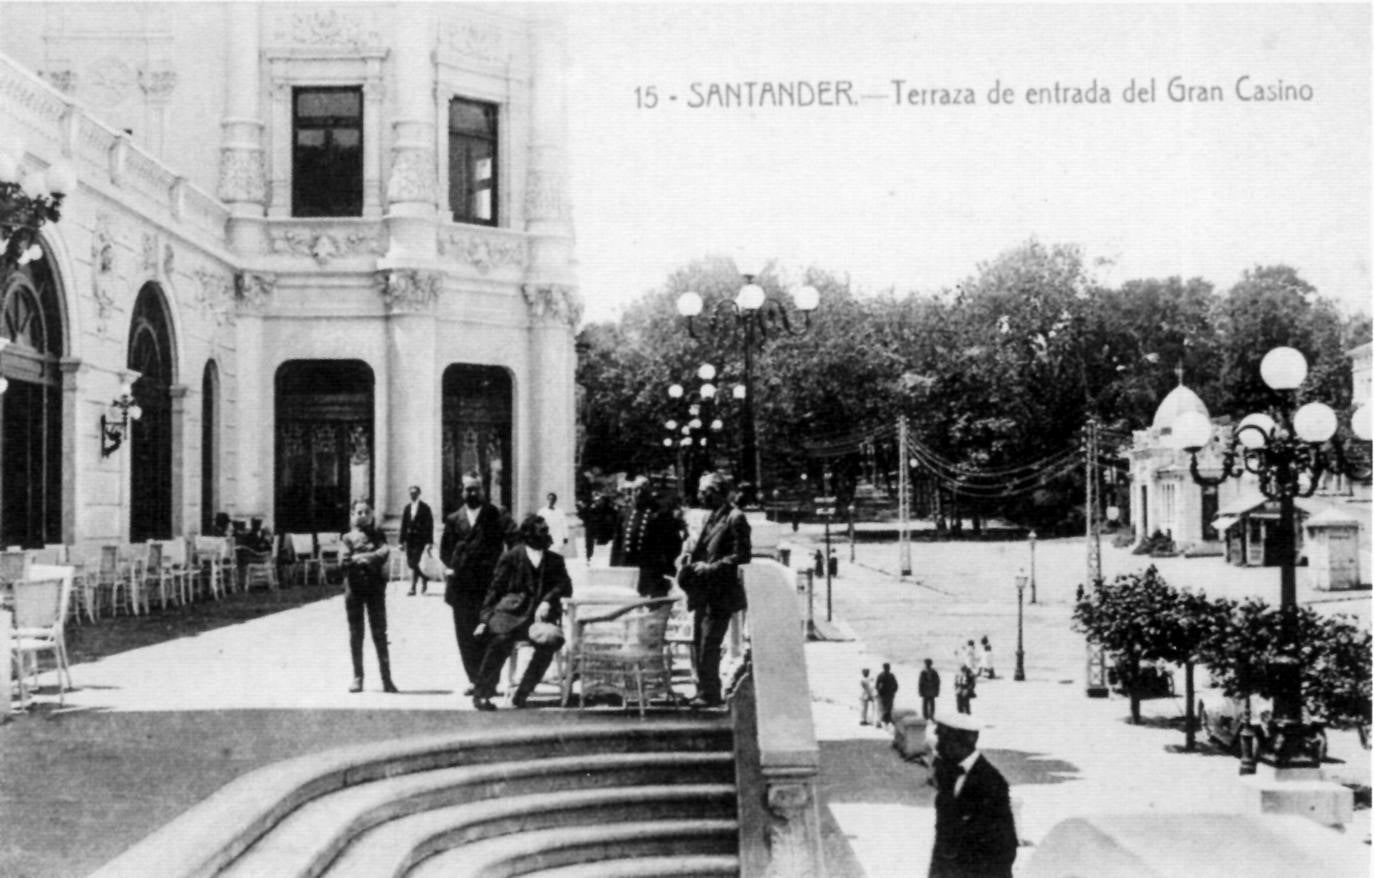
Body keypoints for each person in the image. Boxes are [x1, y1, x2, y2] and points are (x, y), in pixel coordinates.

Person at [470, 515, 573, 711]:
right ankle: (482, 694)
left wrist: (547, 600)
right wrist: (485, 619)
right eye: (541, 531)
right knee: (499, 642)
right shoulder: (511, 557)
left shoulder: (554, 560)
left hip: (538, 621)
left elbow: (565, 585)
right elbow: (495, 589)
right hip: (511, 617)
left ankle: (522, 693)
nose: (546, 535)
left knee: (549, 643)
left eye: (546, 530)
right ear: (528, 534)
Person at [676, 472, 750, 708]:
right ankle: (704, 690)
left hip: (721, 593)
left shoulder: (736, 518)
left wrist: (711, 568)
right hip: (704, 592)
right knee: (699, 641)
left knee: (710, 644)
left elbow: (742, 555)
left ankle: (711, 694)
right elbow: (703, 548)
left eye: (704, 491)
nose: (700, 496)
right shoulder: (712, 516)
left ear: (717, 492)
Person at [441, 473, 516, 693]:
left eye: (476, 489)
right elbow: (445, 550)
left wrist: (507, 568)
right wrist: (457, 564)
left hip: (490, 586)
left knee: (491, 632)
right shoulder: (454, 519)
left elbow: (514, 540)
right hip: (462, 587)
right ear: (461, 491)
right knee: (465, 634)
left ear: (483, 490)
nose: (472, 493)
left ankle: (489, 681)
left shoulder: (497, 514)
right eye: (468, 489)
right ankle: (475, 680)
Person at [927, 713, 1018, 878]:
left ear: (965, 741)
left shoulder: (992, 783)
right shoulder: (947, 772)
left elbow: (1005, 846)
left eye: (943, 739)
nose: (937, 746)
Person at [340, 500, 396, 693]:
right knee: (356, 634)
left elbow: (384, 552)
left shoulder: (378, 535)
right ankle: (358, 677)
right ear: (352, 515)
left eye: (366, 512)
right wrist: (368, 558)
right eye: (359, 512)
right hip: (354, 590)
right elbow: (344, 560)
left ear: (372, 515)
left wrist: (363, 558)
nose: (362, 515)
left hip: (375, 590)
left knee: (380, 633)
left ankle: (386, 679)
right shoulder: (347, 538)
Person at [610, 479, 684, 597]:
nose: (638, 493)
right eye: (635, 490)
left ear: (649, 491)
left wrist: (670, 569)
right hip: (627, 565)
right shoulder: (625, 513)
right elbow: (617, 544)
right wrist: (614, 567)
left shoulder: (660, 514)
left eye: (642, 490)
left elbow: (672, 543)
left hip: (649, 567)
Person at [399, 484, 435, 596]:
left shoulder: (425, 508)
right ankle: (424, 577)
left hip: (420, 540)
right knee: (411, 563)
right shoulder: (407, 508)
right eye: (411, 493)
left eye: (415, 493)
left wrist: (429, 542)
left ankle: (412, 588)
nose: (412, 495)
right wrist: (401, 541)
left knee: (414, 562)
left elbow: (430, 525)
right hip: (409, 539)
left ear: (419, 494)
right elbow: (403, 525)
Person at [536, 492, 570, 556]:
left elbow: (564, 524)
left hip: (557, 536)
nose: (551, 501)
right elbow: (538, 524)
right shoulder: (541, 511)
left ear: (555, 500)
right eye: (549, 499)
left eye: (553, 499)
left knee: (556, 552)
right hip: (546, 536)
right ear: (547, 499)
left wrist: (565, 536)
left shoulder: (560, 511)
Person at [874, 662, 899, 729]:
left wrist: (893, 692)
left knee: (888, 709)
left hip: (889, 696)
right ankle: (879, 722)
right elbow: (877, 686)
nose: (887, 669)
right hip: (883, 696)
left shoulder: (890, 676)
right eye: (886, 668)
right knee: (882, 709)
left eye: (887, 668)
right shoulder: (882, 676)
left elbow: (896, 685)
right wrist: (880, 693)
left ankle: (887, 721)